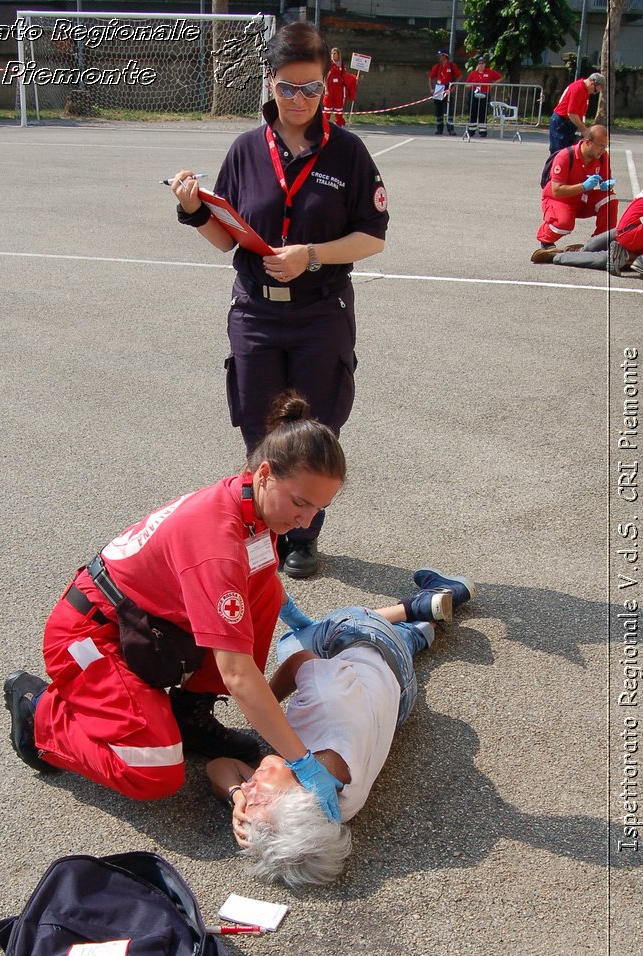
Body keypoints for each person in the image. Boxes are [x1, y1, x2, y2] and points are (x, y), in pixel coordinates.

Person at [4, 393, 358, 816]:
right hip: (87, 636)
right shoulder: (218, 540)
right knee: (156, 772)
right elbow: (240, 675)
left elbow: (254, 576)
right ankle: (40, 713)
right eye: (300, 503)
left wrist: (291, 613)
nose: (305, 522)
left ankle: (190, 714)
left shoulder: (250, 505)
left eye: (319, 509)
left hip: (142, 621)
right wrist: (303, 762)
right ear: (264, 473)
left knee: (261, 587)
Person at [171, 21, 388, 580]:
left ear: (326, 86)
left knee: (315, 427)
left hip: (321, 311)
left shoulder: (348, 153)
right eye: (288, 87)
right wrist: (196, 208)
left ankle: (301, 538)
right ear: (269, 82)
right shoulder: (246, 149)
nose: (299, 99)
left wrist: (309, 254)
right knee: (256, 422)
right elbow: (229, 236)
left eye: (311, 88)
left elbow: (372, 236)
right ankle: (257, 528)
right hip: (256, 311)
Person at [206, 568, 477, 886]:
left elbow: (218, 767)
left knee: (393, 649)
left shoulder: (327, 809)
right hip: (368, 639)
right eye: (258, 798)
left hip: (396, 700)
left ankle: (422, 627)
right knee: (292, 643)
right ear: (302, 800)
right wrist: (263, 706)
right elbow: (297, 663)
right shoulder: (323, 707)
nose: (251, 787)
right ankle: (412, 609)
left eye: (250, 798)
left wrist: (237, 797)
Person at [533, 125, 617, 254]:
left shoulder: (603, 157)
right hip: (559, 199)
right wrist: (583, 186)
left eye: (605, 146)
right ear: (588, 142)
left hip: (582, 199)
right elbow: (557, 190)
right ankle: (546, 240)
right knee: (564, 224)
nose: (603, 150)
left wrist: (607, 185)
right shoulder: (565, 156)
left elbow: (604, 181)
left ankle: (600, 241)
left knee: (610, 198)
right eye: (600, 146)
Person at [531, 188, 643, 275]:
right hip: (632, 232)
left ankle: (580, 251)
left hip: (627, 228)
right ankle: (557, 256)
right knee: (614, 258)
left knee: (619, 236)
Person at [548, 72, 605, 153]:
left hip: (568, 123)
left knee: (569, 153)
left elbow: (579, 113)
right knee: (559, 153)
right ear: (592, 83)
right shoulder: (578, 89)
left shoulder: (585, 91)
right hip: (561, 123)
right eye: (595, 91)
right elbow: (571, 113)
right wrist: (584, 130)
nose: (593, 93)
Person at [465, 55, 502, 138]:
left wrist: (491, 85)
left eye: (482, 63)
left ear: (485, 64)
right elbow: (466, 85)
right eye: (479, 63)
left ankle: (482, 131)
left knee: (483, 112)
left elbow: (499, 78)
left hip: (485, 93)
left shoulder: (489, 72)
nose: (481, 65)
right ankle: (471, 131)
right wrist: (472, 85)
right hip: (474, 93)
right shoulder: (473, 73)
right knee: (473, 112)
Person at [428, 49, 462, 136]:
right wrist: (431, 89)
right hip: (439, 88)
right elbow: (430, 77)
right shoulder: (437, 66)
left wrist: (454, 87)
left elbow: (459, 76)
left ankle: (450, 129)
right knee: (438, 109)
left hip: (448, 87)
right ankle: (439, 128)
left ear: (444, 56)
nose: (438, 58)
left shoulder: (451, 65)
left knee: (449, 109)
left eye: (440, 56)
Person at [324, 47, 356, 127]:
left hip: (339, 89)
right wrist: (326, 89)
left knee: (339, 106)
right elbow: (324, 77)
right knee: (328, 106)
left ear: (338, 55)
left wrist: (354, 78)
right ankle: (324, 122)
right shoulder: (328, 65)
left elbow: (345, 76)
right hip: (330, 88)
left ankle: (339, 123)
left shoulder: (341, 65)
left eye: (335, 53)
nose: (333, 55)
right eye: (332, 53)